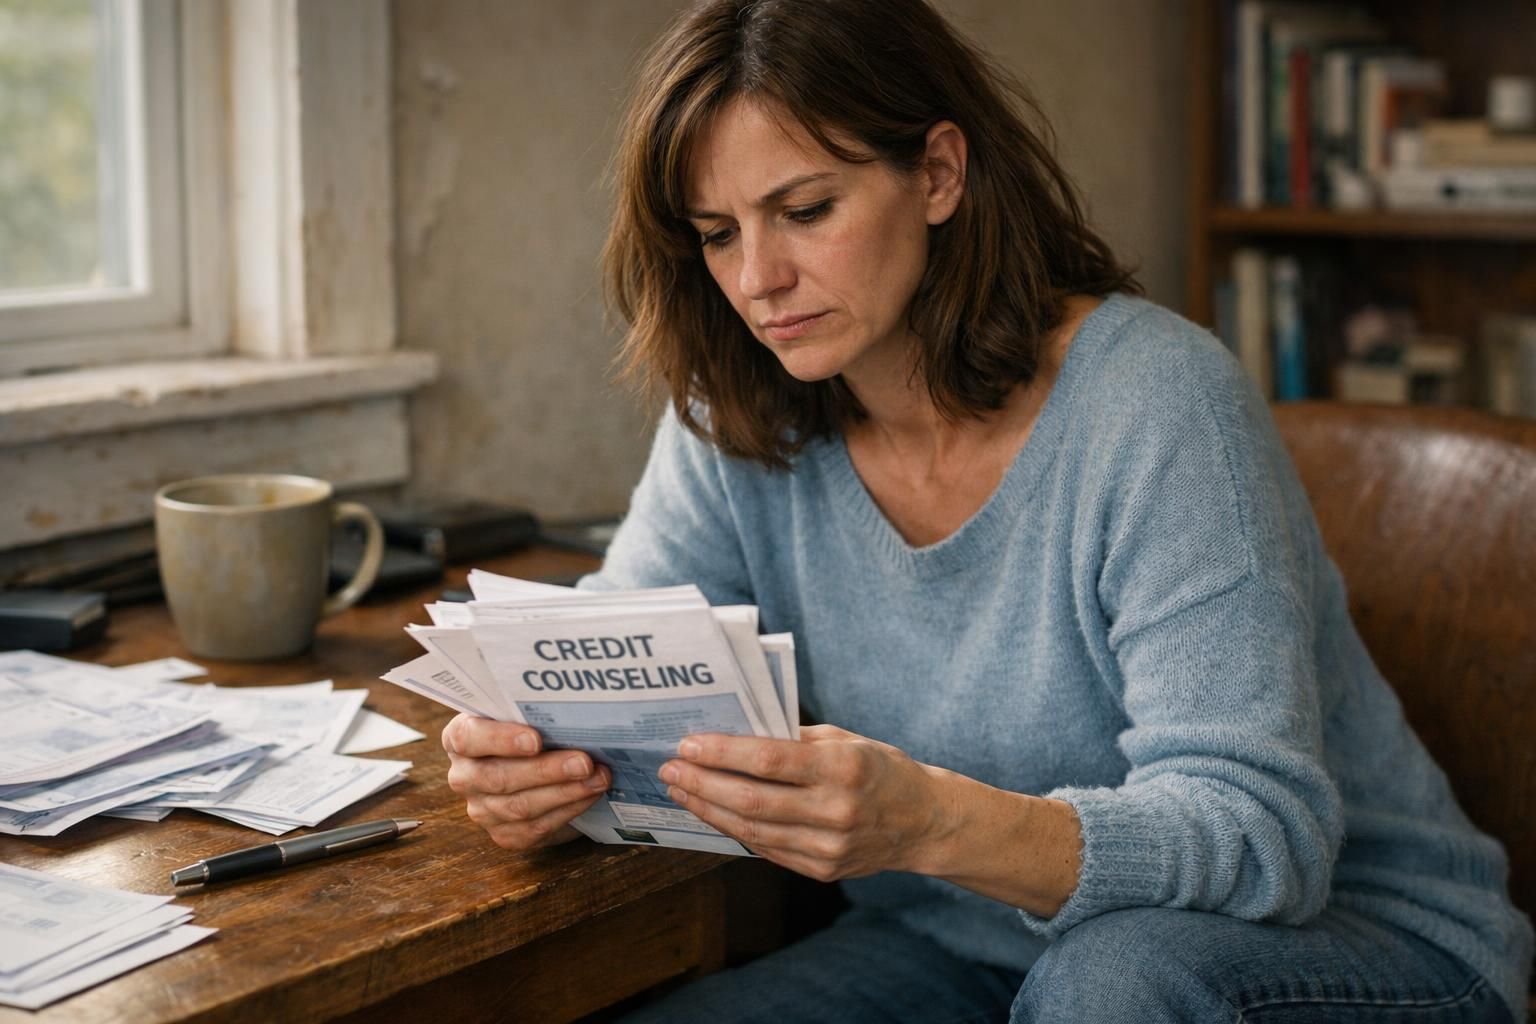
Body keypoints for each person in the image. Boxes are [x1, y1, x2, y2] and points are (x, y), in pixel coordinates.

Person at [441, 1, 1534, 1020]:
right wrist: (537, 763)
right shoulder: (732, 412)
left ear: (939, 172)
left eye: (806, 210)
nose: (758, 279)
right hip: (963, 946)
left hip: (1355, 942)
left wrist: (926, 818)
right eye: (717, 233)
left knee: (1111, 985)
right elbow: (620, 650)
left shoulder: (1158, 403)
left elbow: (1261, 841)